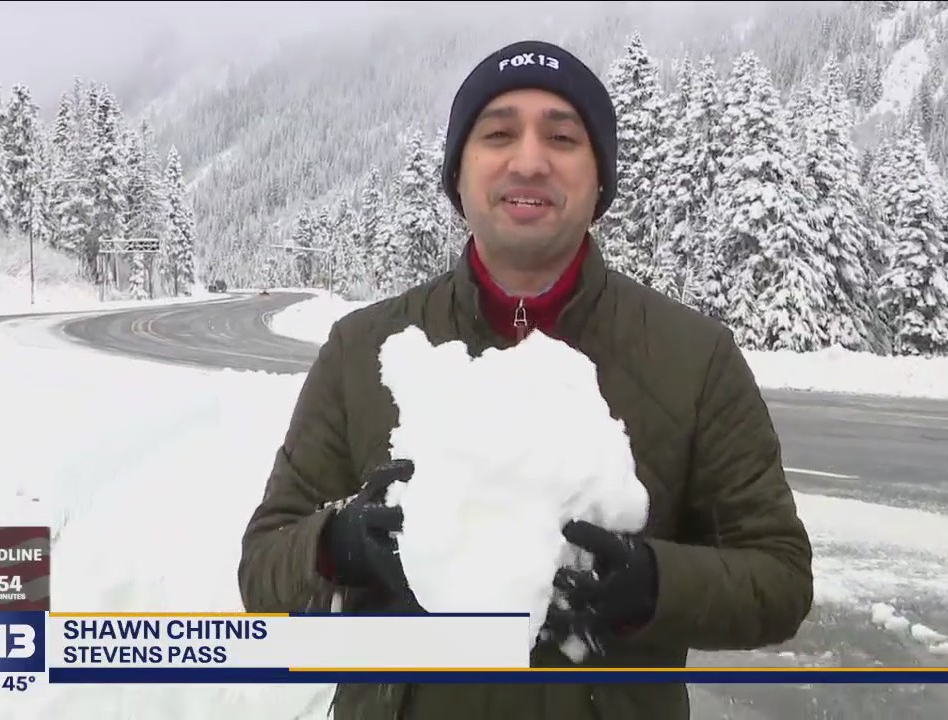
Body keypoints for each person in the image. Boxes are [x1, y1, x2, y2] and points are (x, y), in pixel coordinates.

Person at [238, 38, 814, 720]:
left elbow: (779, 576)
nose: (530, 160)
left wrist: (656, 584)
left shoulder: (695, 357)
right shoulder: (364, 350)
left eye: (563, 137)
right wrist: (335, 547)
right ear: (458, 174)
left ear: (600, 178)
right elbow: (263, 565)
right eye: (499, 134)